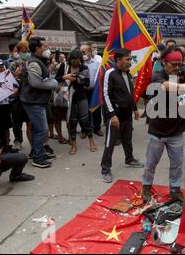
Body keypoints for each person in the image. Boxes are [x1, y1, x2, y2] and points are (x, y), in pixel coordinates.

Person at [141, 46, 185, 202]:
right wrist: (183, 86)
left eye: (179, 64)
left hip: (176, 130)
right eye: (173, 64)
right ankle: (146, 187)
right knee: (151, 163)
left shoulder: (180, 75)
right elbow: (164, 86)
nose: (176, 68)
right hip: (158, 130)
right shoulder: (157, 76)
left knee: (177, 164)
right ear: (163, 62)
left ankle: (174, 189)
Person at [100, 49, 144, 183]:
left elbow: (130, 94)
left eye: (130, 59)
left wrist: (135, 109)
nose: (130, 62)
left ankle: (129, 159)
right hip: (115, 116)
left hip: (127, 114)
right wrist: (112, 115)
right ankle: (105, 169)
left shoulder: (128, 74)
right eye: (127, 59)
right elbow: (105, 94)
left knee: (127, 139)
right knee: (110, 142)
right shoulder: (110, 73)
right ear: (118, 60)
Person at [20, 37, 58, 169]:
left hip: (38, 100)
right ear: (37, 48)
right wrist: (53, 84)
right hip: (33, 101)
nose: (48, 49)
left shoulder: (40, 61)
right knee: (42, 129)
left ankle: (38, 153)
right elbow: (36, 83)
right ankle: (38, 158)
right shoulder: (34, 62)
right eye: (45, 46)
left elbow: (44, 77)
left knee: (38, 129)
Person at [56, 49, 97, 155]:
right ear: (70, 59)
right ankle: (73, 145)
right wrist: (65, 77)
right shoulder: (64, 66)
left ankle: (91, 141)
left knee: (85, 120)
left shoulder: (84, 67)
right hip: (68, 96)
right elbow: (56, 79)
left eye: (77, 60)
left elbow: (88, 83)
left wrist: (80, 80)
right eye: (73, 60)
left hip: (81, 96)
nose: (75, 62)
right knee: (72, 121)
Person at [9, 41, 32, 151]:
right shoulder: (14, 64)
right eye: (24, 51)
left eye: (28, 50)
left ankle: (34, 143)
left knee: (30, 122)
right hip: (17, 97)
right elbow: (9, 82)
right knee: (17, 122)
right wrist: (16, 76)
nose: (26, 53)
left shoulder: (32, 62)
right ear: (18, 51)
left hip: (30, 96)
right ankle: (18, 140)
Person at [81, 43, 103, 137]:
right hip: (83, 91)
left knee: (96, 110)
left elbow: (100, 74)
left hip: (95, 90)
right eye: (81, 52)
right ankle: (85, 130)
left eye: (83, 52)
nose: (82, 54)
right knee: (84, 111)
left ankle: (97, 128)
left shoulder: (97, 61)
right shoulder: (80, 62)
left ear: (90, 52)